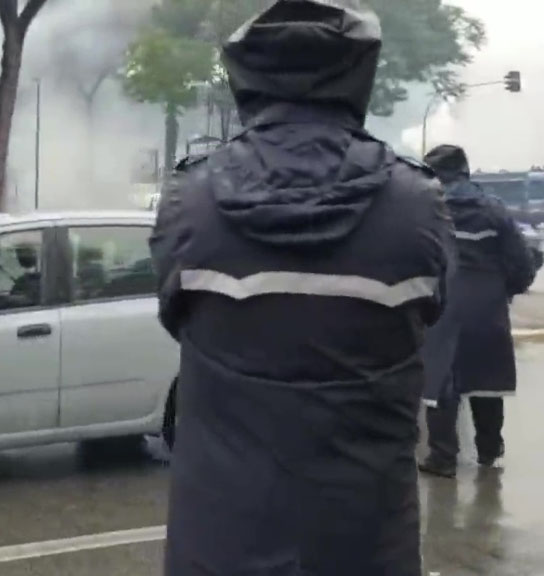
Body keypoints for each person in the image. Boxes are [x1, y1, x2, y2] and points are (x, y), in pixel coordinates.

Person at [150, 1, 453, 575]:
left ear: (248, 80)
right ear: (358, 76)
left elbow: (177, 318)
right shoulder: (417, 204)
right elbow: (432, 311)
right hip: (366, 540)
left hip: (220, 538)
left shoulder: (190, 199)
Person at [419, 144, 536, 479]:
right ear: (465, 170)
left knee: (443, 379)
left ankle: (442, 458)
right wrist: (502, 292)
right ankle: (488, 448)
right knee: (486, 378)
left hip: (442, 302)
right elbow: (521, 263)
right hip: (487, 305)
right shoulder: (494, 210)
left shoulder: (427, 209)